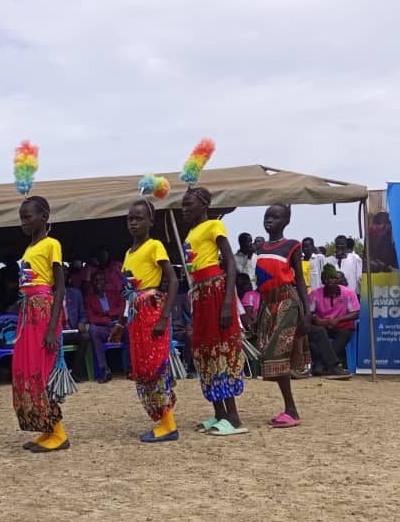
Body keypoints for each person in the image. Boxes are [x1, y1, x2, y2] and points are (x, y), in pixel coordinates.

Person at [109, 199, 179, 442]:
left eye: (139, 218)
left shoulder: (154, 246)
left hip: (153, 311)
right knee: (143, 369)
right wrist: (120, 324)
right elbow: (128, 294)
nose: (133, 222)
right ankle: (162, 420)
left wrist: (164, 317)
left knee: (155, 366)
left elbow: (173, 279)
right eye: (130, 218)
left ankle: (168, 425)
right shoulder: (128, 254)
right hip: (136, 316)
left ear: (150, 221)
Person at [182, 187, 246, 436]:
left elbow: (229, 262)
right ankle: (218, 412)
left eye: (189, 205)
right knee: (204, 348)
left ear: (204, 205)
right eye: (183, 206)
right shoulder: (191, 232)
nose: (185, 210)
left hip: (215, 291)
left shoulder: (214, 226)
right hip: (199, 292)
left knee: (221, 347)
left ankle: (234, 417)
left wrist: (228, 302)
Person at [12, 195, 68, 452]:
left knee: (42, 369)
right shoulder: (28, 249)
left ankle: (58, 433)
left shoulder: (51, 244)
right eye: (22, 217)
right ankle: (46, 428)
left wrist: (52, 327)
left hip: (43, 311)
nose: (23, 222)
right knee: (28, 369)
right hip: (28, 313)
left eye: (28, 216)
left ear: (44, 217)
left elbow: (60, 287)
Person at [254, 206, 312, 427]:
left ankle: (291, 409)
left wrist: (308, 312)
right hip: (268, 305)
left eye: (275, 217)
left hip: (287, 301)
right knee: (269, 352)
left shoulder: (292, 246)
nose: (270, 221)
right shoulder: (260, 248)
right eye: (267, 217)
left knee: (277, 351)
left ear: (286, 221)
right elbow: (261, 281)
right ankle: (290, 408)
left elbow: (298, 280)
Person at [309, 264, 360, 365]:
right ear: (322, 281)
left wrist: (338, 320)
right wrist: (316, 320)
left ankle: (321, 364)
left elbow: (356, 313)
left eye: (332, 278)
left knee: (344, 334)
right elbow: (309, 312)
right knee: (315, 336)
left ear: (337, 280)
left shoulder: (348, 293)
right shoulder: (315, 294)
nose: (330, 281)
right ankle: (329, 365)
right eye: (326, 279)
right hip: (322, 325)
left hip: (341, 325)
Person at [85, 270, 123, 382]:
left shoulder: (114, 293)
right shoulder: (89, 298)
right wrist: (106, 319)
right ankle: (104, 369)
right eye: (96, 281)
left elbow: (122, 308)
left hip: (118, 326)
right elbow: (90, 318)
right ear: (92, 283)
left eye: (101, 280)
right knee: (92, 330)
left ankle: (131, 368)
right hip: (103, 328)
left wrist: (109, 313)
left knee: (131, 328)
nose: (99, 283)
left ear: (105, 282)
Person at [62, 265, 90, 381]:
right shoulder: (49, 295)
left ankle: (75, 372)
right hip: (57, 333)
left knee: (85, 336)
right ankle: (58, 374)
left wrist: (81, 322)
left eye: (64, 275)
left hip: (73, 330)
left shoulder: (75, 293)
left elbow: (83, 314)